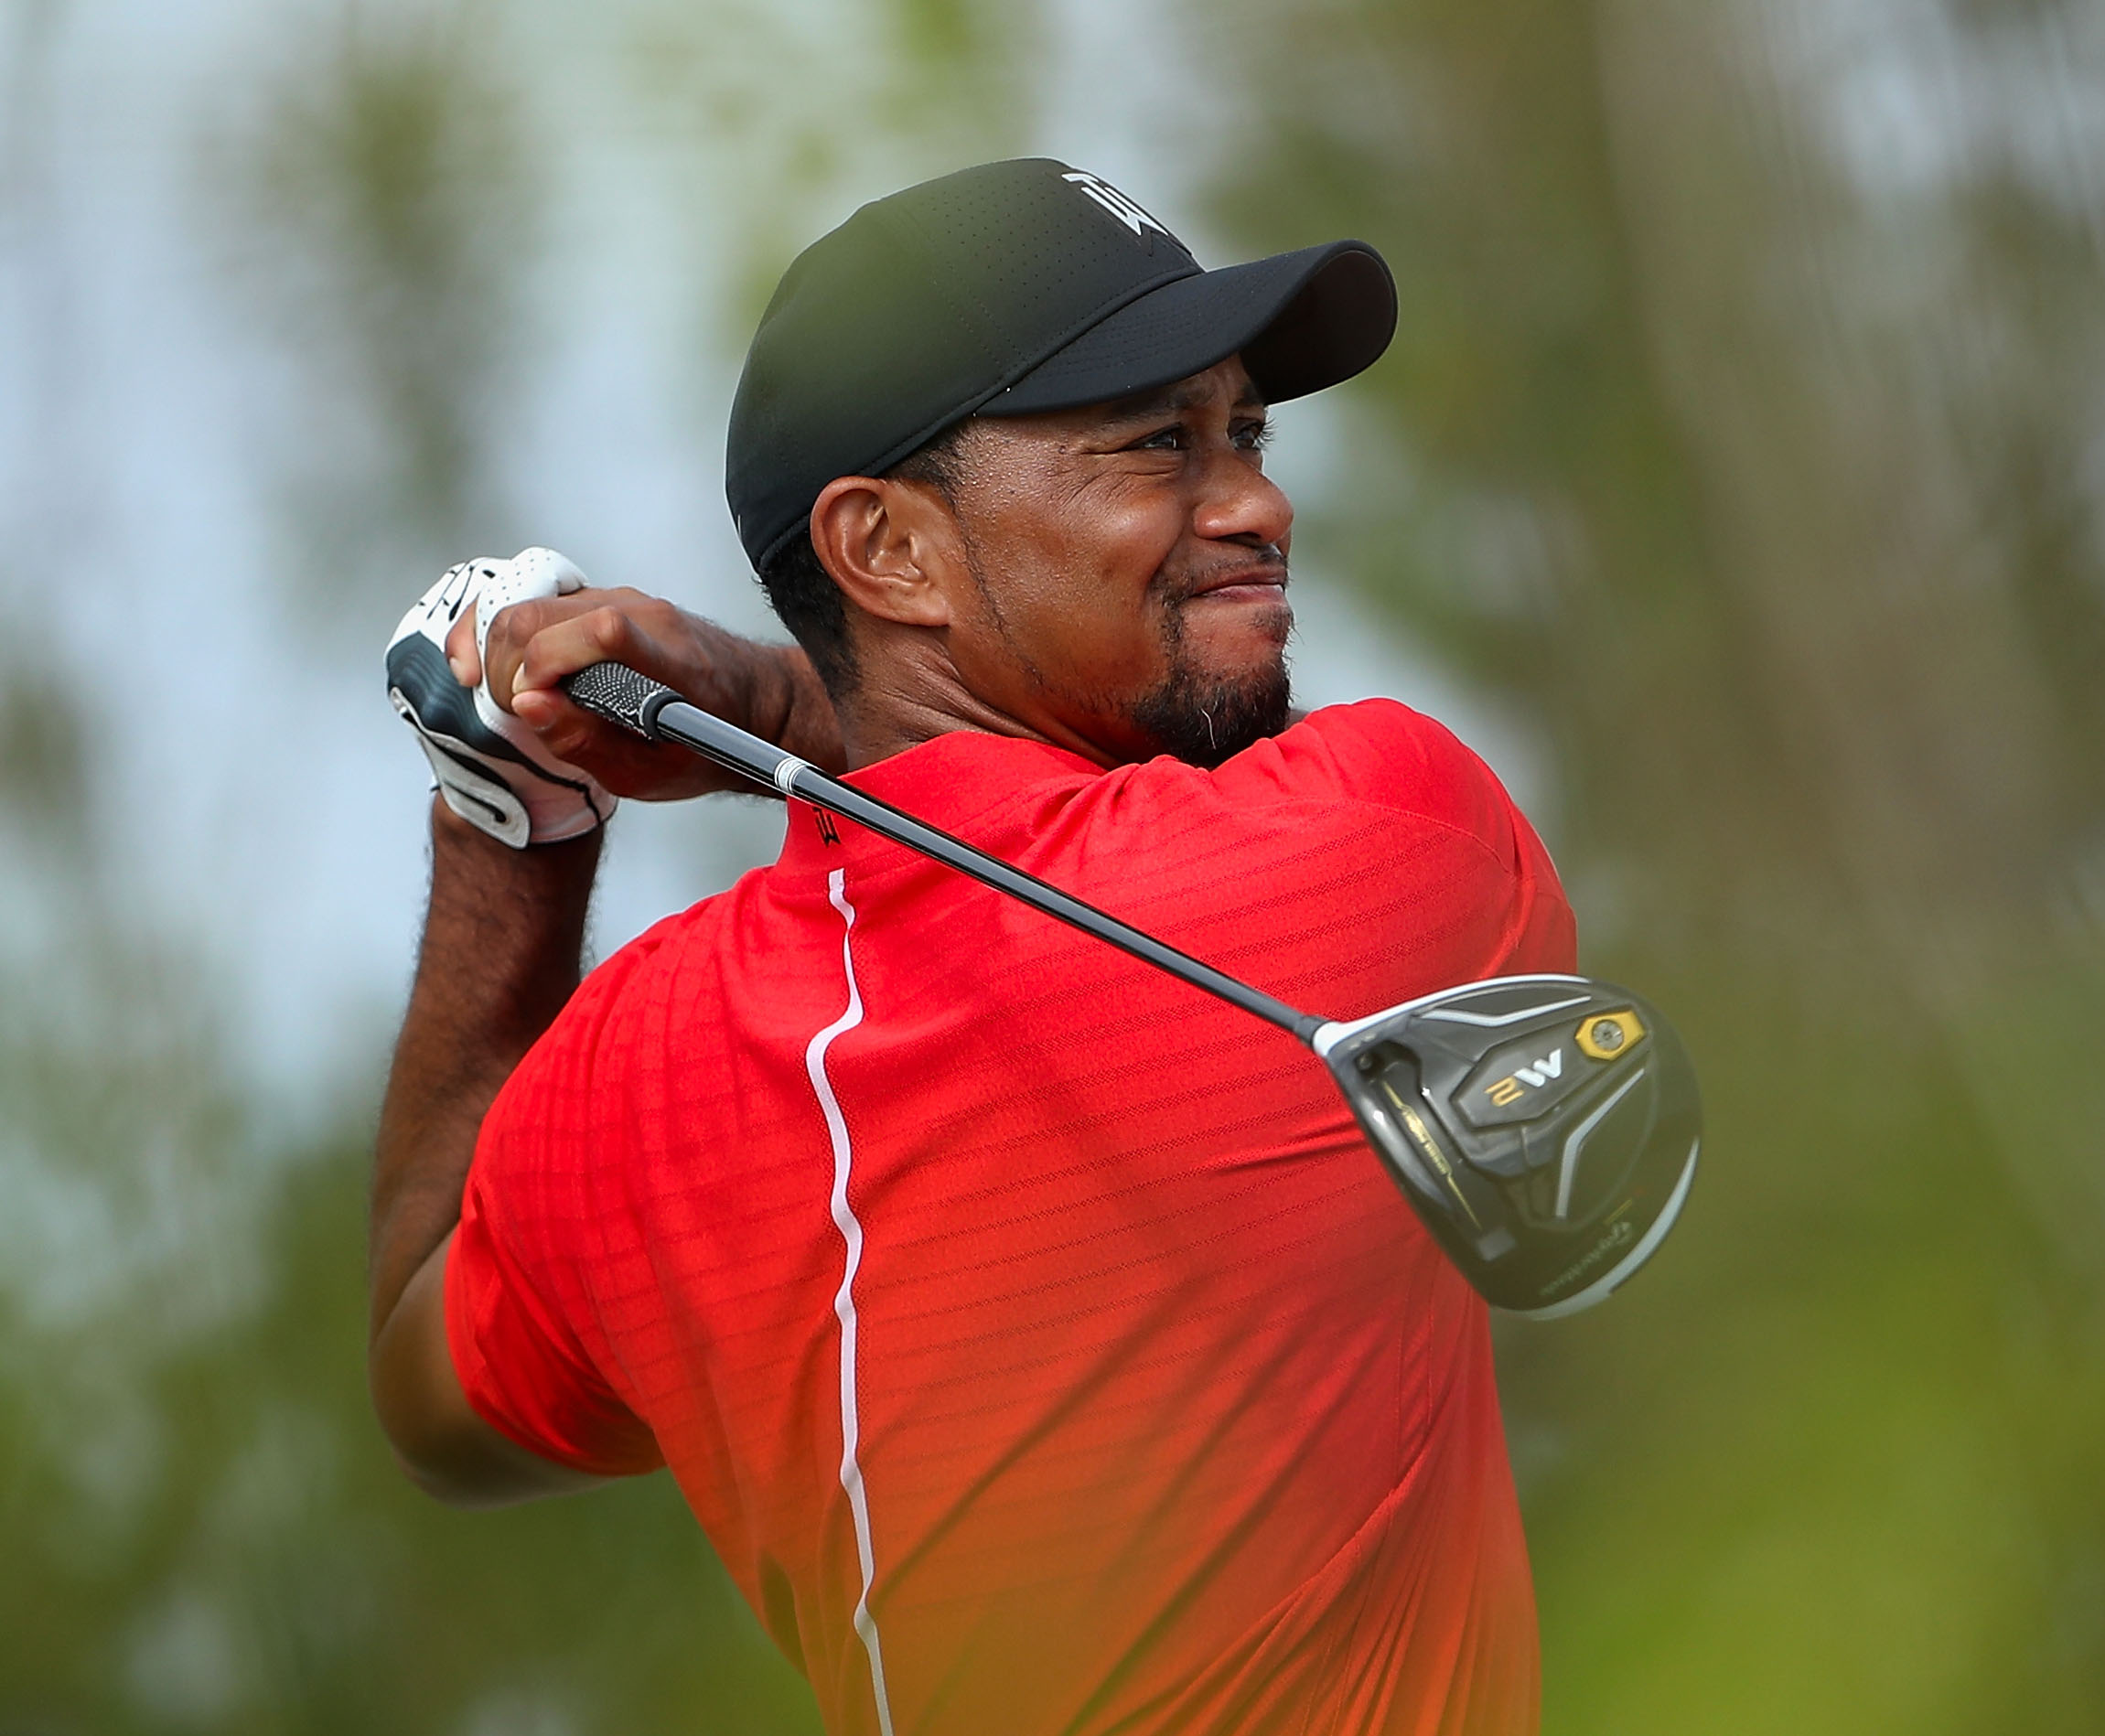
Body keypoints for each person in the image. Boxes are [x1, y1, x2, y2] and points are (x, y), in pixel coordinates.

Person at [370, 158, 1573, 1735]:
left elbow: (429, 1386)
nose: (1260, 504)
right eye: (1157, 443)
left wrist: (509, 817)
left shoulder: (641, 1071)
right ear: (889, 554)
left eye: (1248, 433)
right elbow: (1031, 845)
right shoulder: (1379, 835)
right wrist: (780, 706)